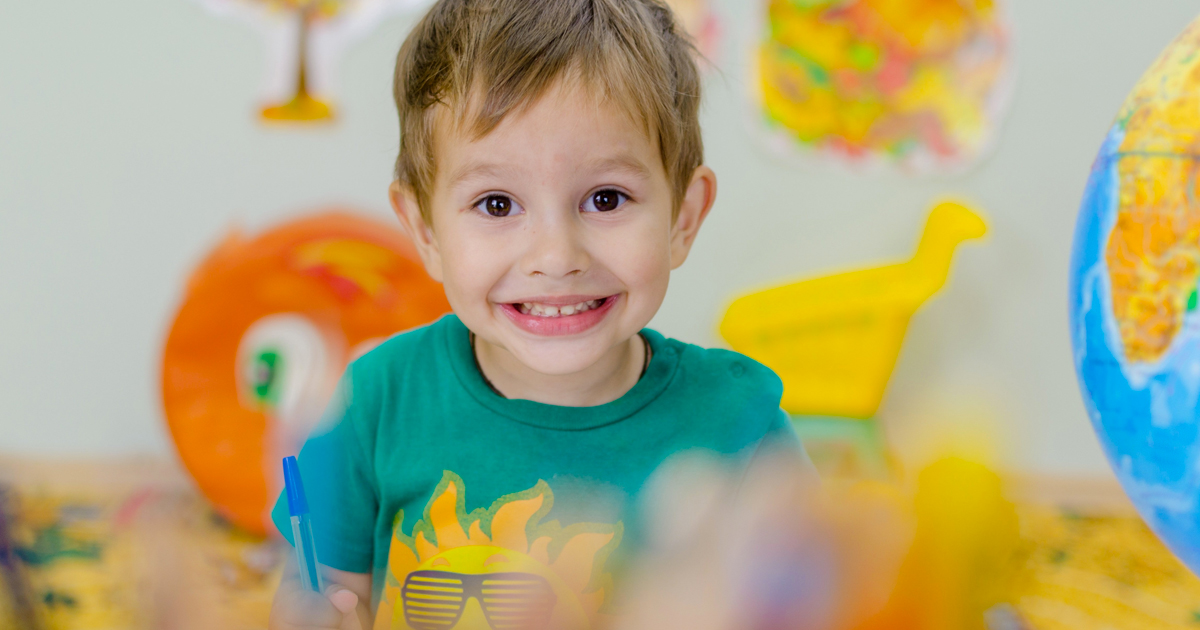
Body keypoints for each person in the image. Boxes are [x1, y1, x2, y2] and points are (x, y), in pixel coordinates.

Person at [268, 1, 809, 628]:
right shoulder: (375, 403)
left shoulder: (739, 422)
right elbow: (316, 591)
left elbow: (811, 597)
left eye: (606, 198)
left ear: (683, 218)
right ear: (425, 230)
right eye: (497, 205)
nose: (556, 257)